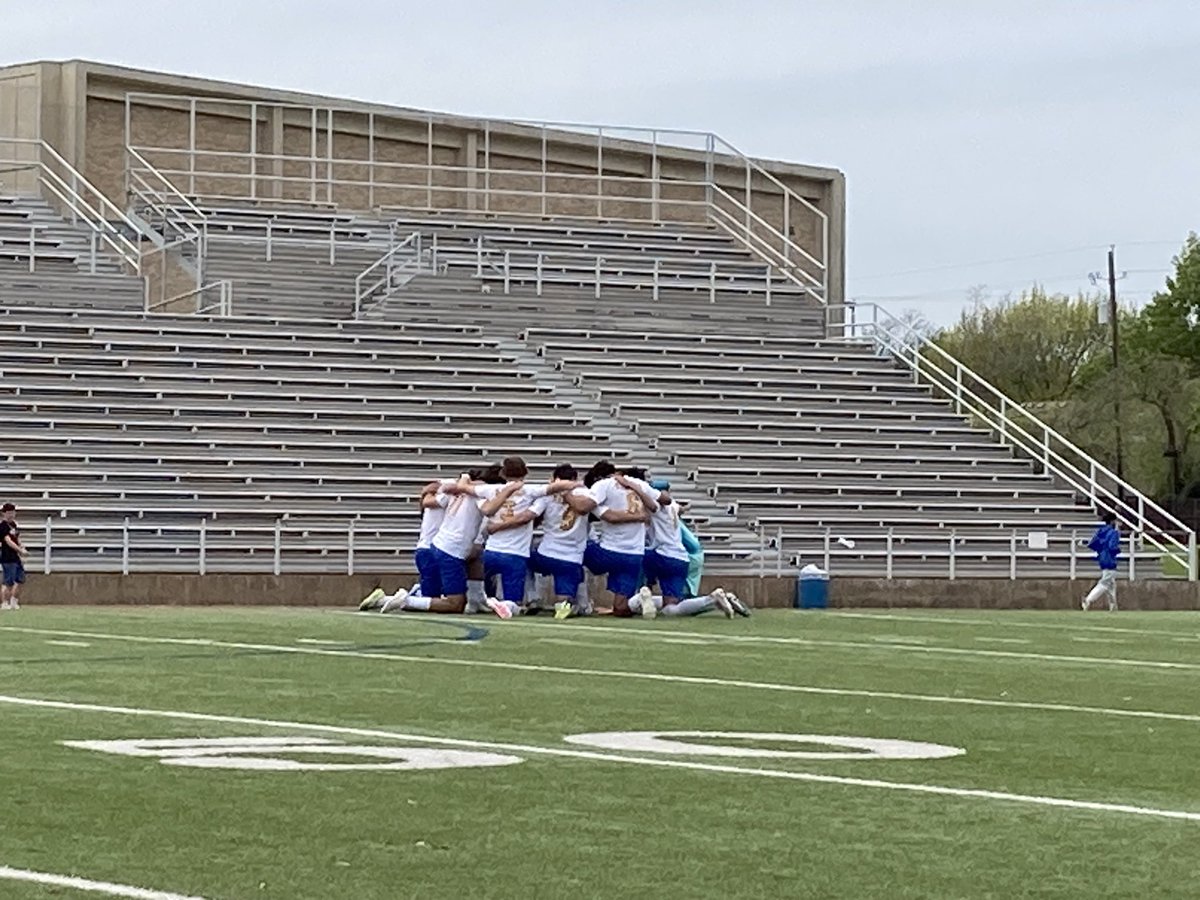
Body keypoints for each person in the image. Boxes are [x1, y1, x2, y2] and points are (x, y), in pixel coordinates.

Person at [631, 479, 749, 619]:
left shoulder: (653, 506)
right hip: (681, 558)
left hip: (661, 555)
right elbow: (680, 509)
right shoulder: (672, 506)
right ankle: (713, 599)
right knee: (671, 607)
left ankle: (640, 595)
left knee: (634, 560)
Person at [476, 457, 578, 618]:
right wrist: (575, 485)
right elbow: (527, 516)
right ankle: (566, 605)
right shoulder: (532, 490)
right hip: (519, 554)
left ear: (503, 473)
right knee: (516, 599)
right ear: (526, 471)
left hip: (491, 550)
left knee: (481, 576)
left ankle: (482, 601)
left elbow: (462, 488)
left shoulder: (491, 490)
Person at [360, 474, 464, 612]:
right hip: (432, 548)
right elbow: (429, 497)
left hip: (429, 547)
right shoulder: (451, 493)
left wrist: (427, 492)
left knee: (435, 596)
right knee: (433, 599)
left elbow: (428, 491)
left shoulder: (444, 489)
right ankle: (393, 599)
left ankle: (388, 598)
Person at [521, 464, 596, 619]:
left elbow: (532, 516)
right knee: (564, 602)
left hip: (546, 554)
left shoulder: (548, 494)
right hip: (571, 558)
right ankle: (575, 604)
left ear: (555, 479)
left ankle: (532, 598)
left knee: (521, 559)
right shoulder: (586, 492)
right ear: (575, 478)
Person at [582, 463, 657, 616]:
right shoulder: (638, 486)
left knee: (570, 556)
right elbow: (658, 503)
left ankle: (580, 603)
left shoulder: (603, 487)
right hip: (634, 554)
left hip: (609, 551)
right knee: (621, 608)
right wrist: (641, 516)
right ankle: (640, 601)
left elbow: (611, 517)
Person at [1082, 511, 1120, 612]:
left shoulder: (1100, 531)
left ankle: (1113, 606)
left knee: (1111, 583)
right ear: (1113, 521)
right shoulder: (1114, 533)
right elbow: (1112, 547)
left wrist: (1101, 550)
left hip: (1102, 558)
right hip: (1110, 559)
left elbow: (1092, 544)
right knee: (1105, 582)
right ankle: (1088, 600)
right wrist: (1117, 551)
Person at [0, 503, 27, 611]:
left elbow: (16, 538)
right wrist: (20, 550)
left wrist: (22, 546)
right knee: (8, 581)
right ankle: (4, 602)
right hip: (7, 557)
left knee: (20, 579)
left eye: (13, 512)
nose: (11, 515)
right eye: (9, 512)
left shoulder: (14, 525)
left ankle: (13, 600)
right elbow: (8, 541)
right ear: (4, 513)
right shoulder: (2, 526)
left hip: (15, 557)